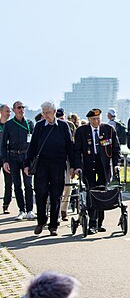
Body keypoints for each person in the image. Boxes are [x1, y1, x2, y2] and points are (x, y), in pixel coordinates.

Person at [24, 101, 74, 236]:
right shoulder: (40, 126)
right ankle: (41, 221)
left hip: (58, 164)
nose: (45, 115)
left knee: (56, 195)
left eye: (47, 112)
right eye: (43, 113)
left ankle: (54, 225)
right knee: (40, 194)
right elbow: (32, 146)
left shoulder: (63, 126)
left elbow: (70, 147)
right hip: (42, 165)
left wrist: (73, 166)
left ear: (54, 111)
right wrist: (27, 164)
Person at [74, 108, 121, 235]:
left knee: (102, 192)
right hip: (88, 166)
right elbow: (76, 151)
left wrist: (116, 165)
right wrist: (77, 166)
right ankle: (92, 224)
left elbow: (116, 150)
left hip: (103, 165)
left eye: (98, 118)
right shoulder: (81, 131)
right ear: (89, 120)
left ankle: (99, 223)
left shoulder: (109, 130)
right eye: (94, 119)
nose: (97, 121)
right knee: (91, 192)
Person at [1, 101, 35, 220]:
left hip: (26, 157)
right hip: (13, 157)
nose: (21, 110)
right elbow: (3, 144)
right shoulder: (9, 125)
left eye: (22, 108)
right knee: (17, 185)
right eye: (19, 108)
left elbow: (34, 143)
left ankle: (30, 210)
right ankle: (21, 210)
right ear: (14, 110)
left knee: (28, 184)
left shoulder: (29, 123)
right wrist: (5, 161)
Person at [56, 108, 77, 221]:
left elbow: (73, 142)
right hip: (57, 158)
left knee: (68, 185)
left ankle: (64, 209)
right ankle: (56, 210)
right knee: (57, 185)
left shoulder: (70, 125)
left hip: (68, 158)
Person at [0, 104, 12, 214]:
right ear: (1, 112)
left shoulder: (11, 125)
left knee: (9, 182)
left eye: (9, 111)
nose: (9, 113)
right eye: (7, 111)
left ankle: (6, 204)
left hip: (7, 157)